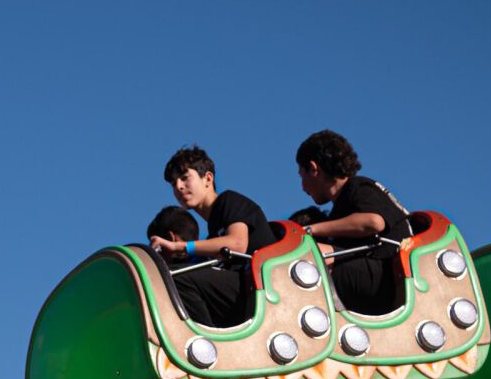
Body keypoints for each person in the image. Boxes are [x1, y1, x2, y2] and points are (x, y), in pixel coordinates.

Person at [147, 146, 278, 327]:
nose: (178, 186)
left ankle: (205, 345)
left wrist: (180, 246)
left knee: (177, 278)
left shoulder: (229, 201)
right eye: (173, 183)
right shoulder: (212, 230)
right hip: (239, 296)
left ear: (208, 178)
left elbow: (237, 243)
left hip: (261, 288)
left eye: (185, 178)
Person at [294, 130, 413, 313]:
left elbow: (373, 222)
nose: (302, 187)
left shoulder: (358, 187)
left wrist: (310, 230)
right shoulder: (341, 205)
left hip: (388, 276)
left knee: (305, 255)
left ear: (313, 168)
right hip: (376, 276)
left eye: (302, 175)